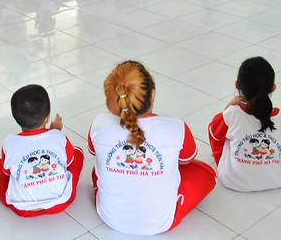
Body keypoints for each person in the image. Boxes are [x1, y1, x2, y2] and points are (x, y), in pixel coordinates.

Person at [87, 61, 216, 235]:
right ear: (153, 94)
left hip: (109, 217)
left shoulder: (99, 124)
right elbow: (187, 161)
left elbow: (94, 152)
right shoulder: (176, 127)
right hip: (160, 223)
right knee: (205, 172)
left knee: (98, 170)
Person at [0, 84, 84, 216]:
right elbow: (68, 162)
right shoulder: (59, 137)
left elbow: (6, 172)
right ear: (47, 117)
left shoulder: (9, 142)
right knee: (77, 153)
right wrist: (55, 132)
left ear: (16, 119)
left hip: (22, 208)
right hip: (59, 203)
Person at [208, 57, 281, 191]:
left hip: (233, 180)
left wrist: (229, 106)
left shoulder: (232, 114)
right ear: (273, 88)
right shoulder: (280, 115)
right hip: (278, 178)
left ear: (237, 85)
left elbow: (213, 132)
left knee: (222, 133)